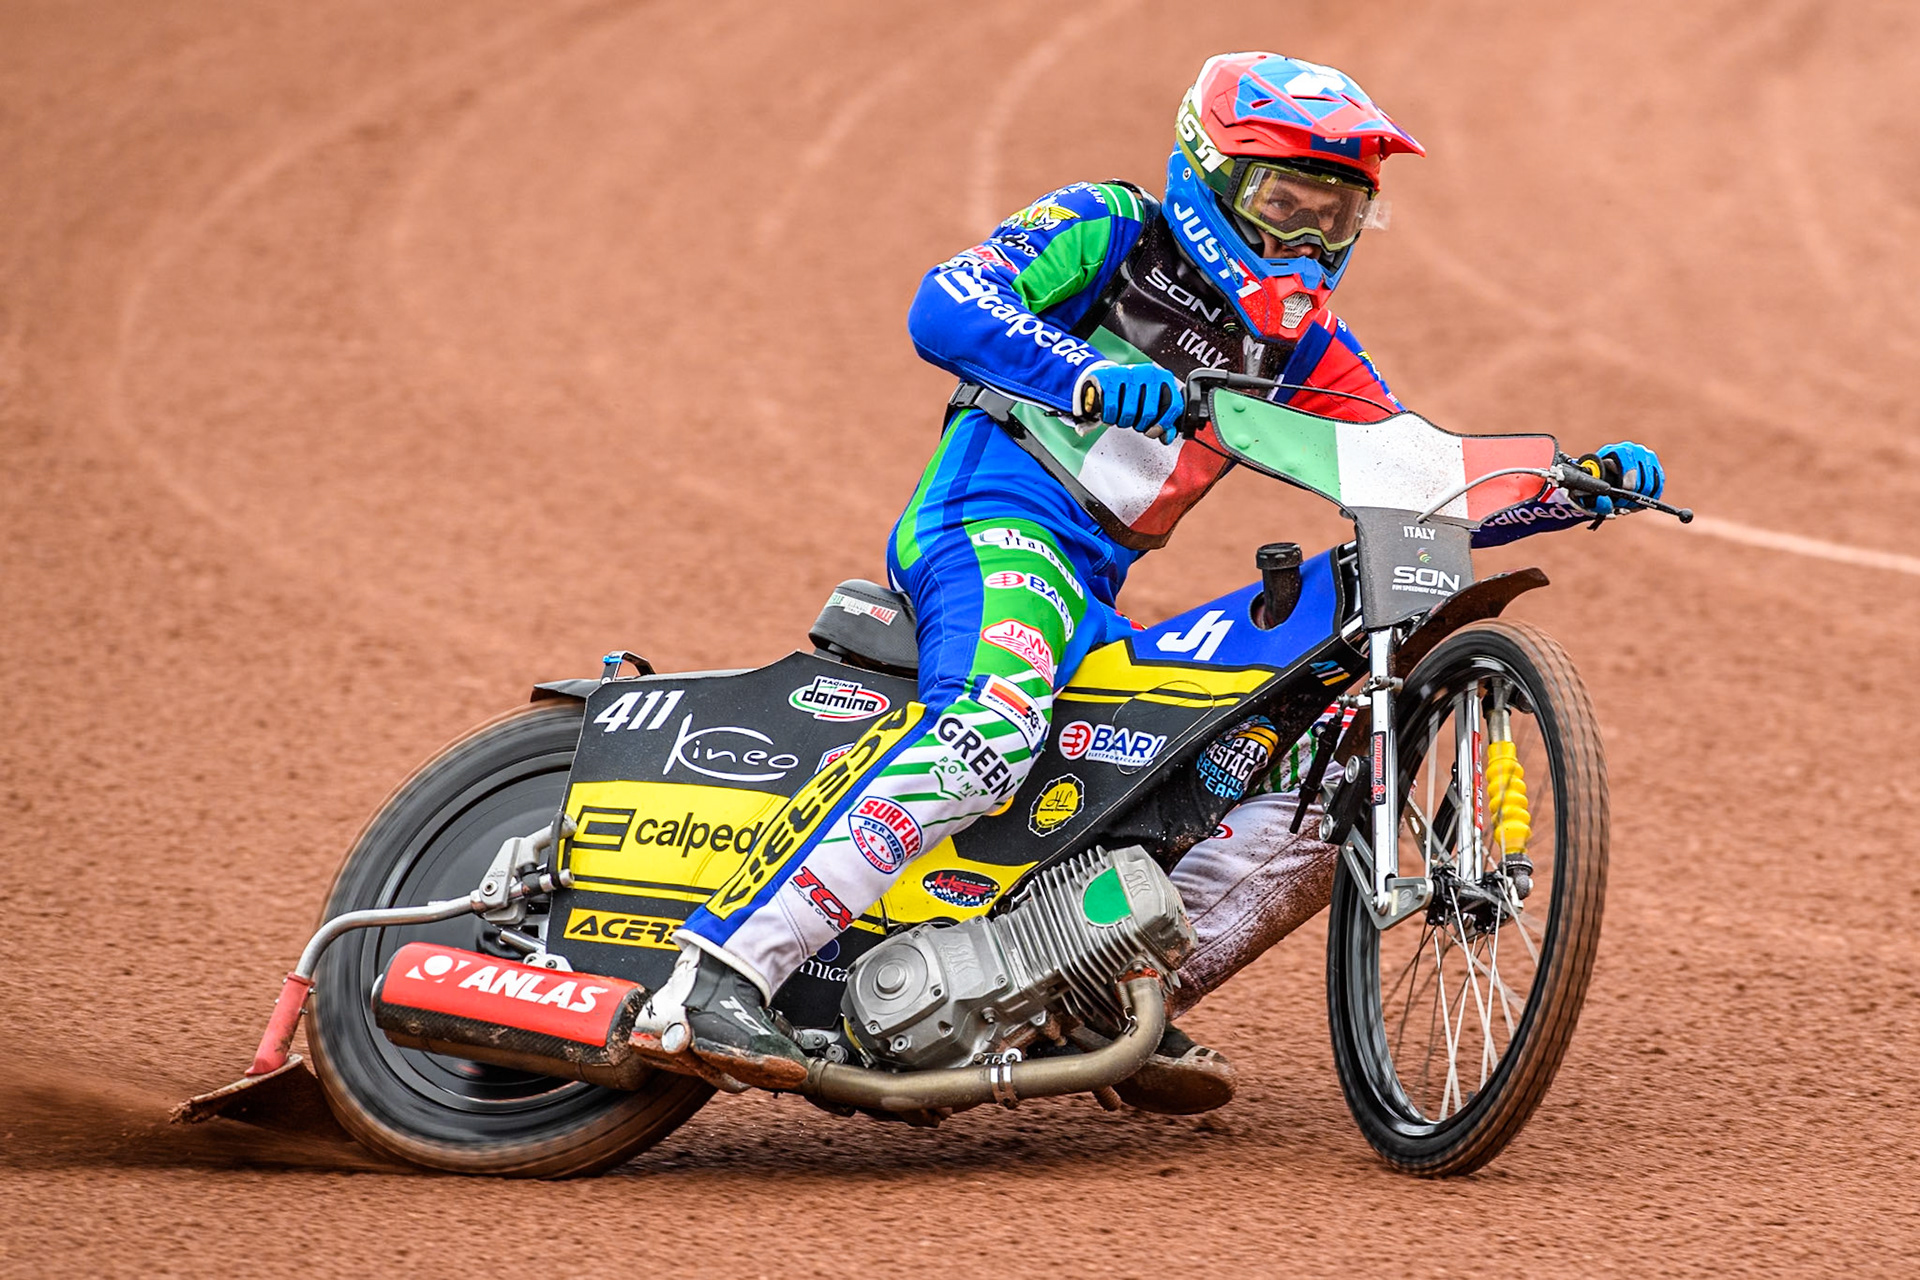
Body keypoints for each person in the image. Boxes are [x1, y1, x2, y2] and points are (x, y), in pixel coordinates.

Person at [641, 52, 1666, 1103]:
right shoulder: (1111, 228)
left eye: (1338, 214)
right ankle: (714, 972)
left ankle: (1094, 995)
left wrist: (1567, 487)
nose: (1309, 241)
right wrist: (1083, 370)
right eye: (1286, 202)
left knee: (1309, 775)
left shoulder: (1308, 351)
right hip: (989, 526)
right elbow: (946, 304)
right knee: (989, 732)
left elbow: (1412, 474)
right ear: (1206, 174)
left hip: (1090, 594)